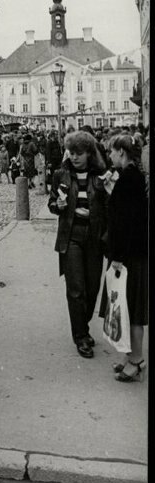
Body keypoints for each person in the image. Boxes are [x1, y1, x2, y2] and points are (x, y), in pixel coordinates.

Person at [48, 131, 108, 358]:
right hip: (71, 236)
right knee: (76, 289)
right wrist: (58, 205)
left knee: (92, 288)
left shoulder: (100, 176)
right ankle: (81, 336)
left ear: (89, 153)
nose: (74, 157)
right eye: (71, 152)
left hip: (94, 236)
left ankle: (83, 325)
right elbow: (52, 203)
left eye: (78, 153)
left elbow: (109, 206)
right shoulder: (61, 174)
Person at [98, 135, 148, 381]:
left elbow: (126, 222)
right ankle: (130, 356)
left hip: (129, 256)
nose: (109, 156)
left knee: (131, 309)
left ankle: (136, 360)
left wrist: (118, 256)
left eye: (111, 151)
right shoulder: (130, 176)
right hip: (130, 253)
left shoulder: (129, 178)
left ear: (121, 152)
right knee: (125, 308)